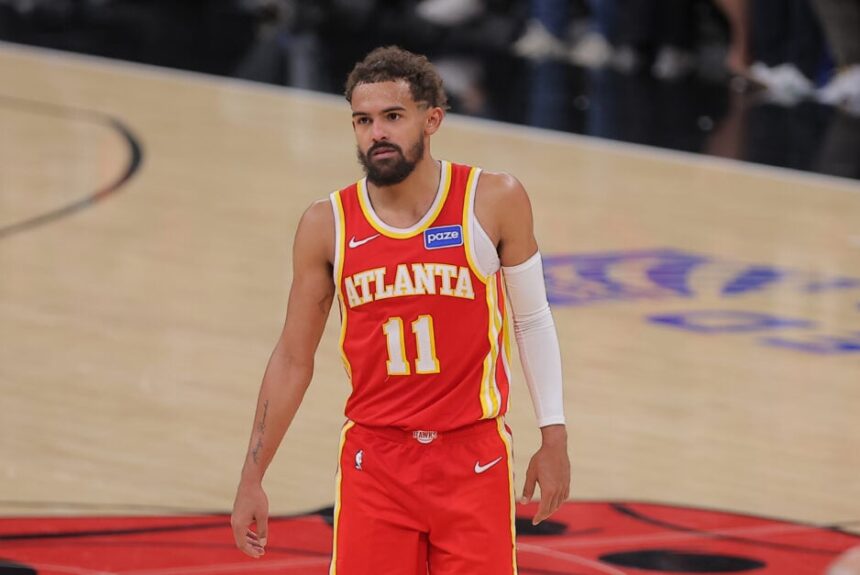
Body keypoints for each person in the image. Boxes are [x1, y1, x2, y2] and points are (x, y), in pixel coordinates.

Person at [230, 45, 570, 573]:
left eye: (393, 117)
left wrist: (554, 435)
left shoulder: (493, 199)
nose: (377, 133)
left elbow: (532, 319)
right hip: (377, 462)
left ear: (431, 119)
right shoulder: (327, 224)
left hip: (473, 456)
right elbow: (293, 358)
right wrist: (253, 475)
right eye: (363, 121)